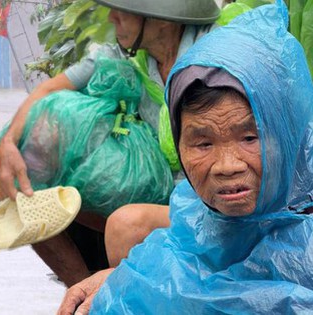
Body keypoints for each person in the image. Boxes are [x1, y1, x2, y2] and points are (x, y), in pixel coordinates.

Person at [59, 2, 313, 313]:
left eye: (250, 138)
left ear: (287, 133)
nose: (227, 166)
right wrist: (125, 279)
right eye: (202, 144)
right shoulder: (195, 211)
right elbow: (184, 260)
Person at [0, 0, 221, 287]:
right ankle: (83, 291)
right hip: (164, 191)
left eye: (123, 12)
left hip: (214, 202)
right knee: (22, 187)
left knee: (125, 225)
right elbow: (49, 90)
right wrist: (9, 146)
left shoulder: (217, 53)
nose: (112, 18)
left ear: (162, 19)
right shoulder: (124, 55)